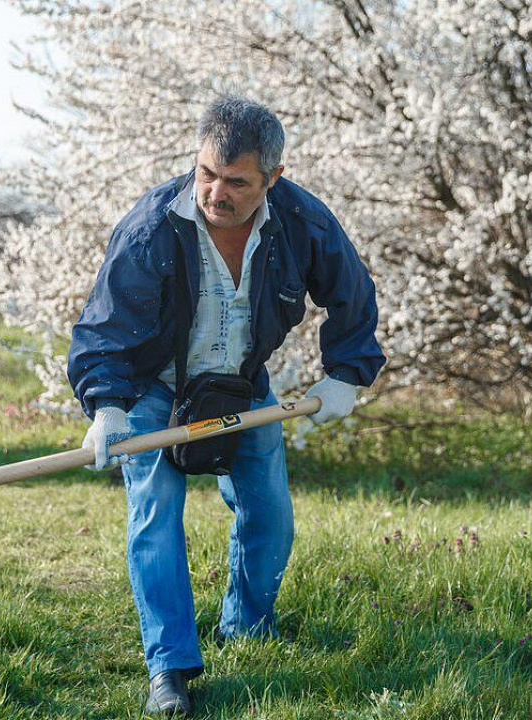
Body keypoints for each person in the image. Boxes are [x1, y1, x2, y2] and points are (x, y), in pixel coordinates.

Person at [68, 96, 384, 715]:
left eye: (236, 181)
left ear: (273, 178)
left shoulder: (302, 223)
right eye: (207, 173)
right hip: (154, 386)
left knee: (270, 513)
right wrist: (107, 406)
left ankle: (246, 627)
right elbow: (105, 326)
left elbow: (352, 292)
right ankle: (170, 667)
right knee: (155, 512)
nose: (216, 192)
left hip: (243, 381)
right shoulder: (152, 228)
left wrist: (346, 375)